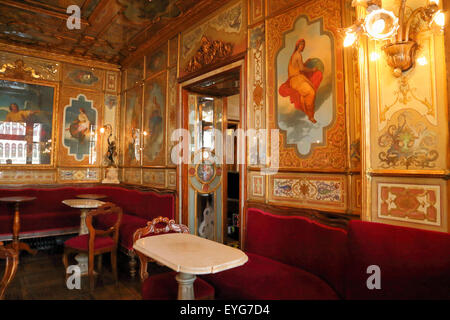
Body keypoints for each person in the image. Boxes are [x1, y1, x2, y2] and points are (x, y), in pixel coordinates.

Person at [279, 39, 323, 123]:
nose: (302, 46)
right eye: (301, 45)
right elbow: (302, 68)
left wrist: (305, 64)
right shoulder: (298, 55)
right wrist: (312, 69)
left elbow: (299, 67)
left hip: (297, 79)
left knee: (307, 94)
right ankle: (310, 116)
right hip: (296, 79)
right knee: (311, 92)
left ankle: (309, 114)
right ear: (297, 46)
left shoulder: (295, 55)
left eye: (303, 45)